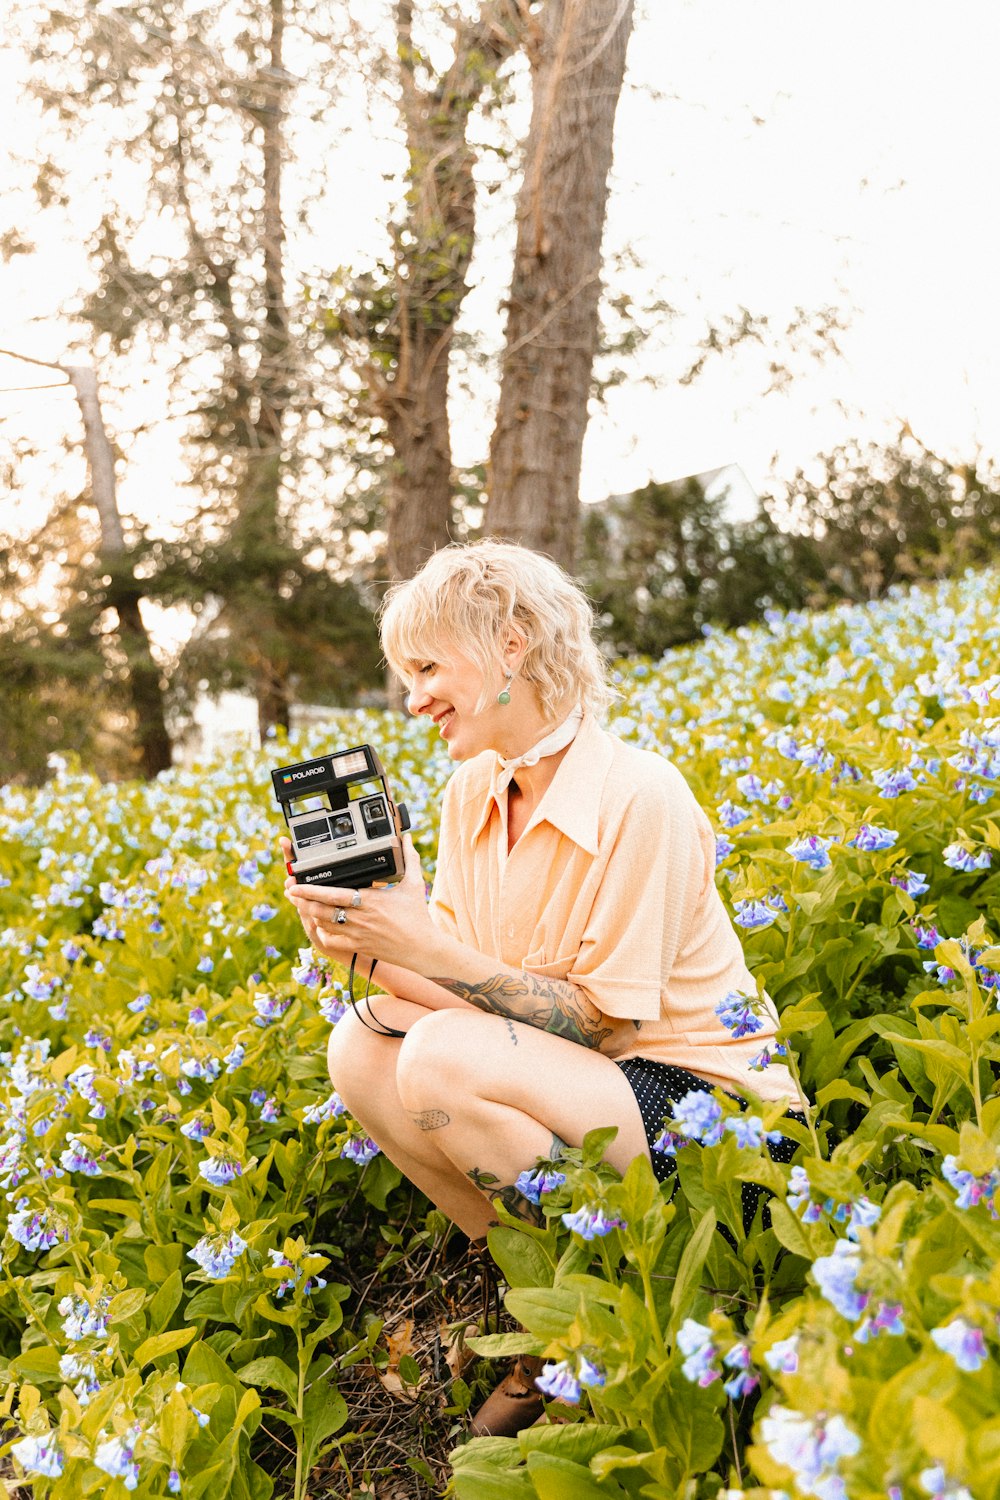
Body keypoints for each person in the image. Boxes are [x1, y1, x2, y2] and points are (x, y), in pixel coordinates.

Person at [283, 539, 802, 1436]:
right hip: (578, 1094)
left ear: (513, 643)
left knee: (438, 1056)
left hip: (721, 1134)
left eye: (429, 666)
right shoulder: (468, 793)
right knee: (363, 1043)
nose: (414, 699)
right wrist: (360, 947)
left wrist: (430, 950)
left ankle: (632, 1317)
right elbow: (473, 1006)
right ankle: (549, 1309)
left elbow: (599, 1027)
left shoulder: (642, 794)